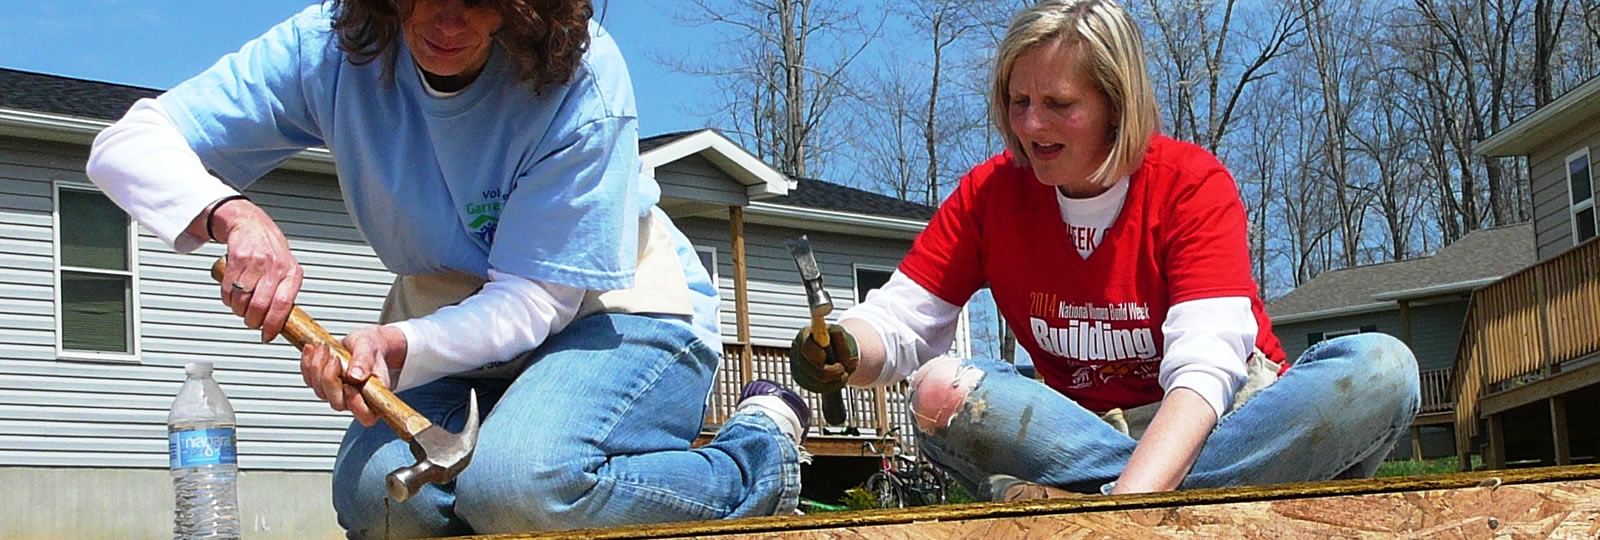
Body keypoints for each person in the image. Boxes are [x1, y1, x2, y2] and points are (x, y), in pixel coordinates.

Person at [86, 0, 812, 536]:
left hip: (611, 306)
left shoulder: (582, 82)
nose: (446, 17)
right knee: (382, 505)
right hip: (440, 317)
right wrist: (230, 214)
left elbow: (533, 302)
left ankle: (757, 460)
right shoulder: (330, 47)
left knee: (522, 486)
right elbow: (126, 144)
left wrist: (402, 349)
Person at [789, 0, 1419, 501]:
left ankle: (1083, 505)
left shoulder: (1190, 184)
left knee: (1383, 369)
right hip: (1085, 434)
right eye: (1019, 102)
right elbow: (901, 322)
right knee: (938, 395)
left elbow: (1204, 372)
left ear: (1117, 107)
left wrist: (1127, 511)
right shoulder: (990, 196)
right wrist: (846, 346)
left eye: (1059, 105)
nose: (1031, 126)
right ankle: (1202, 501)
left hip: (1226, 421)